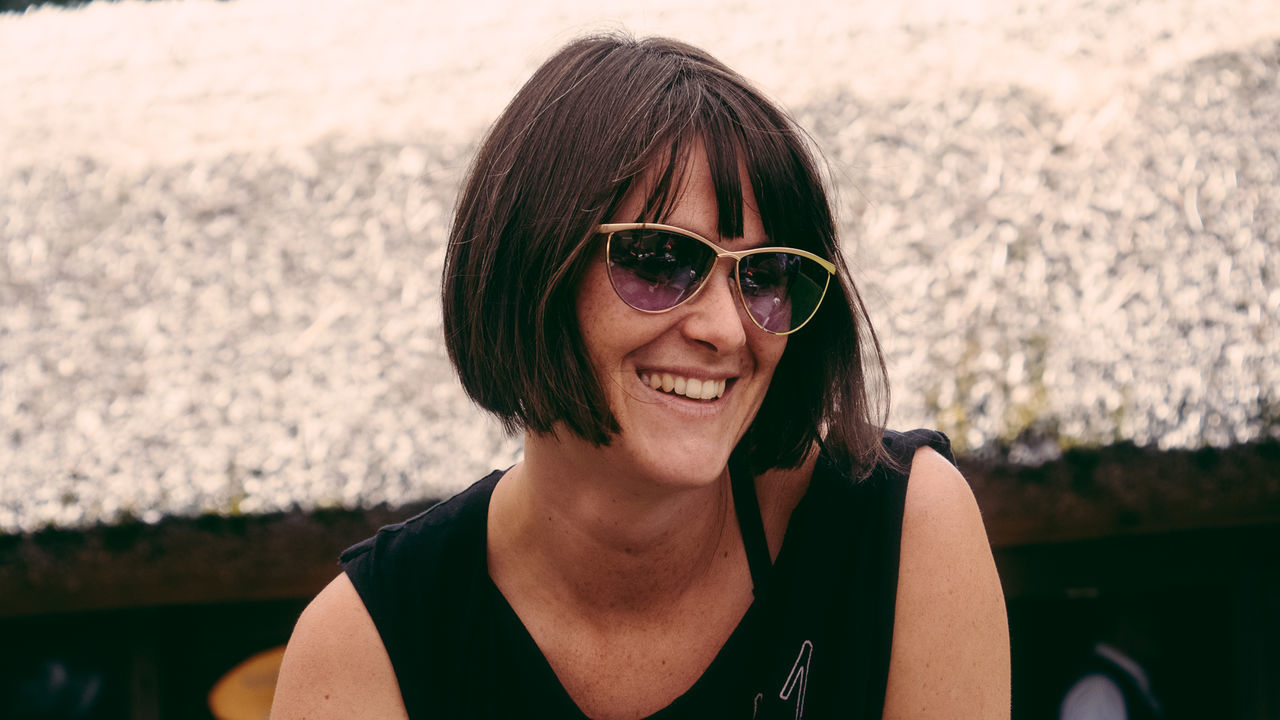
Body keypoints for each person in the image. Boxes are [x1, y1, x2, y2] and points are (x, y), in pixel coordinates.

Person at [270, 34, 1009, 719]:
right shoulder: (367, 649)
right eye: (660, 261)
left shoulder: (898, 532)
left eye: (767, 275)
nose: (725, 329)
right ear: (534, 268)